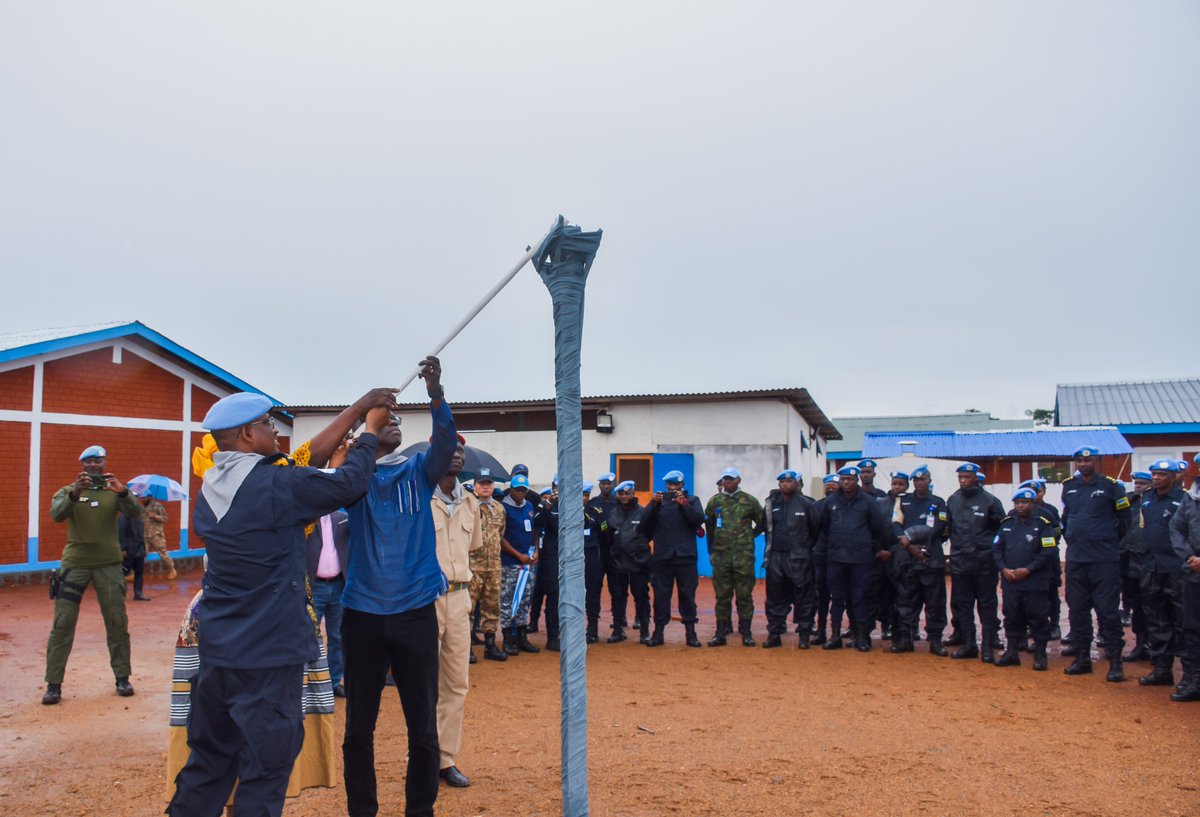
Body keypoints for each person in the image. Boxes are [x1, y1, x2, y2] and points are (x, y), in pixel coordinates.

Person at [167, 385, 390, 817]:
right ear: (249, 436)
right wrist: (369, 434)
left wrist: (360, 408)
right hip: (267, 658)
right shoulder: (276, 485)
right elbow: (349, 483)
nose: (275, 432)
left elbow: (307, 462)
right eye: (269, 425)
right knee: (264, 772)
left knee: (209, 766)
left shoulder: (214, 487)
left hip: (221, 654)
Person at [339, 358, 456, 817]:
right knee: (357, 731)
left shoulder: (420, 472)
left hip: (414, 615)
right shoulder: (356, 478)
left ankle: (419, 810)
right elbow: (338, 480)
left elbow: (445, 444)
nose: (392, 424)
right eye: (385, 419)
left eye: (397, 421)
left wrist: (436, 392)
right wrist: (360, 434)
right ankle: (361, 810)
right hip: (362, 616)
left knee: (422, 727)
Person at [42, 444, 141, 705]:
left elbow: (135, 512)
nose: (94, 466)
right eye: (89, 462)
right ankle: (53, 684)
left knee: (117, 621)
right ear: (82, 465)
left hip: (108, 565)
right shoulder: (68, 491)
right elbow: (56, 515)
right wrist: (75, 493)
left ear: (104, 463)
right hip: (75, 564)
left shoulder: (113, 491)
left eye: (98, 461)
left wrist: (123, 492)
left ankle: (122, 677)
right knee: (62, 623)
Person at [431, 438, 479, 788]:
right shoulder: (420, 498)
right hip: (426, 600)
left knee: (456, 684)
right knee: (423, 683)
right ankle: (421, 754)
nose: (457, 454)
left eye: (461, 449)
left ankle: (445, 759)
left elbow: (471, 548)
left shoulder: (471, 503)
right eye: (450, 447)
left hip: (460, 598)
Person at [1060, 446, 1131, 682]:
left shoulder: (1111, 486)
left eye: (1087, 460)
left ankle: (1115, 663)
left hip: (1104, 559)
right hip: (1077, 559)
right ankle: (1082, 659)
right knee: (1078, 611)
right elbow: (1067, 519)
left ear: (1096, 462)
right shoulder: (1069, 487)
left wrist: (1108, 542)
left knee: (1107, 612)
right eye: (1078, 460)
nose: (1082, 464)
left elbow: (1125, 521)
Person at [818, 465, 895, 652]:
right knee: (837, 599)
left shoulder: (868, 502)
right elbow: (825, 526)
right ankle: (835, 636)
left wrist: (867, 546)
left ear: (856, 480)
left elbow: (878, 529)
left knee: (860, 598)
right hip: (837, 558)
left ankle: (861, 637)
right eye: (843, 479)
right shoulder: (831, 502)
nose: (846, 482)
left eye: (850, 479)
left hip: (861, 560)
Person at [992, 488, 1060, 670]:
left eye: (1025, 502)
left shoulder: (1043, 524)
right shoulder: (1007, 523)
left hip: (1034, 582)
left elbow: (1048, 551)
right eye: (1018, 503)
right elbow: (997, 549)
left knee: (1038, 618)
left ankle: (1040, 654)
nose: (1021, 506)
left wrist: (1029, 569)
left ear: (1033, 504)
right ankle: (1012, 652)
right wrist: (1003, 568)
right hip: (1011, 581)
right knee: (1012, 616)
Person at [945, 463, 1005, 663]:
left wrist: (991, 552)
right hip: (961, 563)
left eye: (967, 477)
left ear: (976, 478)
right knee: (963, 606)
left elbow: (1001, 530)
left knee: (987, 606)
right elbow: (950, 528)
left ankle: (987, 647)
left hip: (984, 564)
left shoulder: (990, 501)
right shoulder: (953, 500)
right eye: (961, 477)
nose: (963, 480)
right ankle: (968, 644)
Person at [1136, 460, 1187, 688]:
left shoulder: (1185, 499)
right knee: (1156, 620)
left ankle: (1189, 675)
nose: (1156, 478)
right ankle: (1161, 669)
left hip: (1176, 567)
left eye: (1162, 474)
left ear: (1174, 476)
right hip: (1151, 566)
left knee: (1183, 621)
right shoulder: (1147, 498)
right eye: (1154, 473)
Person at [704, 467, 765, 647]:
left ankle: (746, 633)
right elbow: (710, 527)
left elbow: (762, 522)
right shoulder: (715, 501)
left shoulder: (749, 501)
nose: (727, 481)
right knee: (722, 596)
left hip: (743, 556)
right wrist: (713, 551)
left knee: (744, 595)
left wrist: (748, 536)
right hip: (721, 556)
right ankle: (720, 633)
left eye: (731, 478)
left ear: (739, 480)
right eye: (725, 479)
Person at [893, 464, 949, 655]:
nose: (919, 483)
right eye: (916, 480)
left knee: (935, 603)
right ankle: (906, 639)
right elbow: (895, 525)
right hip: (908, 559)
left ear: (929, 481)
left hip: (931, 559)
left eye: (922, 479)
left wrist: (915, 541)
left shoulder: (939, 503)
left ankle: (935, 641)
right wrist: (909, 546)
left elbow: (938, 528)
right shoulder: (903, 501)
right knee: (906, 602)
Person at [644, 472, 704, 647]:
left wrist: (684, 505)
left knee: (687, 595)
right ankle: (658, 632)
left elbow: (698, 521)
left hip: (686, 556)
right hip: (663, 557)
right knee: (661, 596)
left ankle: (691, 633)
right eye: (670, 485)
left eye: (675, 485)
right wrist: (653, 505)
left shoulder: (692, 500)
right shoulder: (658, 502)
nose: (673, 488)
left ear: (682, 484)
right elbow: (644, 524)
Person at [761, 470, 819, 649]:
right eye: (782, 482)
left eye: (789, 481)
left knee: (803, 596)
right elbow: (766, 527)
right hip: (776, 556)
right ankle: (775, 633)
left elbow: (815, 529)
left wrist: (804, 549)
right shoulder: (772, 504)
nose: (785, 484)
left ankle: (803, 634)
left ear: (796, 483)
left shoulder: (806, 504)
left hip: (799, 558)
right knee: (775, 597)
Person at [306, 509, 350, 696]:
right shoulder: (308, 520)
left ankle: (333, 681)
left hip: (338, 584)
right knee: (310, 635)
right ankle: (310, 683)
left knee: (337, 636)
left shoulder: (342, 519)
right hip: (316, 586)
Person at [1169, 453, 1200, 701]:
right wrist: (1190, 557)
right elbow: (1176, 529)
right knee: (1192, 628)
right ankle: (1196, 680)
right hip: (1193, 572)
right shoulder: (1191, 497)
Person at [499, 474, 540, 655]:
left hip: (528, 563)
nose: (521, 493)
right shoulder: (503, 508)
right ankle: (508, 639)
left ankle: (522, 637)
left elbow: (535, 531)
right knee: (508, 601)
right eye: (518, 489)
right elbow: (500, 538)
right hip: (510, 563)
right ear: (511, 489)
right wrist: (518, 555)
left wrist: (535, 550)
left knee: (524, 599)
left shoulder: (529, 507)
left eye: (524, 490)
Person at [470, 469, 508, 661]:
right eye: (482, 483)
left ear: (493, 486)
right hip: (472, 566)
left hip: (493, 566)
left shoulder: (499, 509)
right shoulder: (468, 507)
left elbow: (501, 534)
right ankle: (466, 647)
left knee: (492, 606)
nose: (485, 486)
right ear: (475, 485)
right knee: (467, 607)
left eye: (489, 483)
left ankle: (490, 644)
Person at [1121, 472, 1153, 662]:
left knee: (1153, 606)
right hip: (1129, 558)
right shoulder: (1129, 501)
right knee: (1136, 605)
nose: (1138, 486)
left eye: (1142, 483)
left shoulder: (1154, 501)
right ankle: (1141, 644)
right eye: (1136, 483)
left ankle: (1156, 647)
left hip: (1149, 559)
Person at [587, 472, 620, 640]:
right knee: (593, 590)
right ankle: (592, 629)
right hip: (597, 553)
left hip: (615, 553)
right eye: (603, 484)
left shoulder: (619, 503)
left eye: (608, 484)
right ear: (599, 486)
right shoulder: (593, 504)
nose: (606, 486)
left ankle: (618, 628)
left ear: (613, 485)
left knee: (617, 590)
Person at [534, 480, 564, 651]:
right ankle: (552, 638)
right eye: (557, 488)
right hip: (551, 557)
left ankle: (568, 635)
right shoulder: (546, 504)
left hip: (569, 557)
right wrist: (548, 504)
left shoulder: (573, 504)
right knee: (554, 596)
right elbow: (537, 523)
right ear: (553, 489)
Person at [810, 473, 840, 645]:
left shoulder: (846, 505)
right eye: (828, 485)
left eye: (834, 485)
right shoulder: (816, 506)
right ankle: (821, 631)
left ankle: (837, 632)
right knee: (821, 597)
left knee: (841, 597)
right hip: (821, 557)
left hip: (841, 558)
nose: (830, 488)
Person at [582, 482, 609, 643]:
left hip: (592, 558)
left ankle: (592, 629)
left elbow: (605, 535)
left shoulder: (596, 512)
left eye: (585, 495)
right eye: (580, 495)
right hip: (573, 560)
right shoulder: (567, 512)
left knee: (592, 594)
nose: (582, 498)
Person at [118, 503, 151, 602]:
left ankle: (138, 593)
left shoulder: (138, 516)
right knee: (122, 572)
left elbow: (141, 532)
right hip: (129, 550)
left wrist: (143, 549)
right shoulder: (124, 516)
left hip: (139, 549)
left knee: (139, 572)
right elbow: (121, 532)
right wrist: (123, 548)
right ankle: (119, 594)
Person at [141, 494, 176, 579]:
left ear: (149, 497)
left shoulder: (157, 506)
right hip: (146, 535)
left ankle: (172, 569)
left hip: (157, 535)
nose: (143, 499)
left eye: (144, 498)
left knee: (163, 554)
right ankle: (134, 573)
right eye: (142, 498)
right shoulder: (143, 508)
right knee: (142, 554)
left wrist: (155, 516)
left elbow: (165, 518)